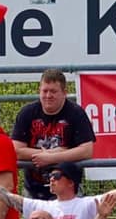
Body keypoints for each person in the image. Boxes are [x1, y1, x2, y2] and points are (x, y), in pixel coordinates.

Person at [11, 70, 96, 200]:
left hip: (68, 188)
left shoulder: (76, 113)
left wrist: (51, 157)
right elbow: (16, 150)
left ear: (64, 93)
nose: (48, 95)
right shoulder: (27, 113)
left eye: (53, 91)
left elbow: (87, 150)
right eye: (44, 91)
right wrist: (49, 154)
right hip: (34, 189)